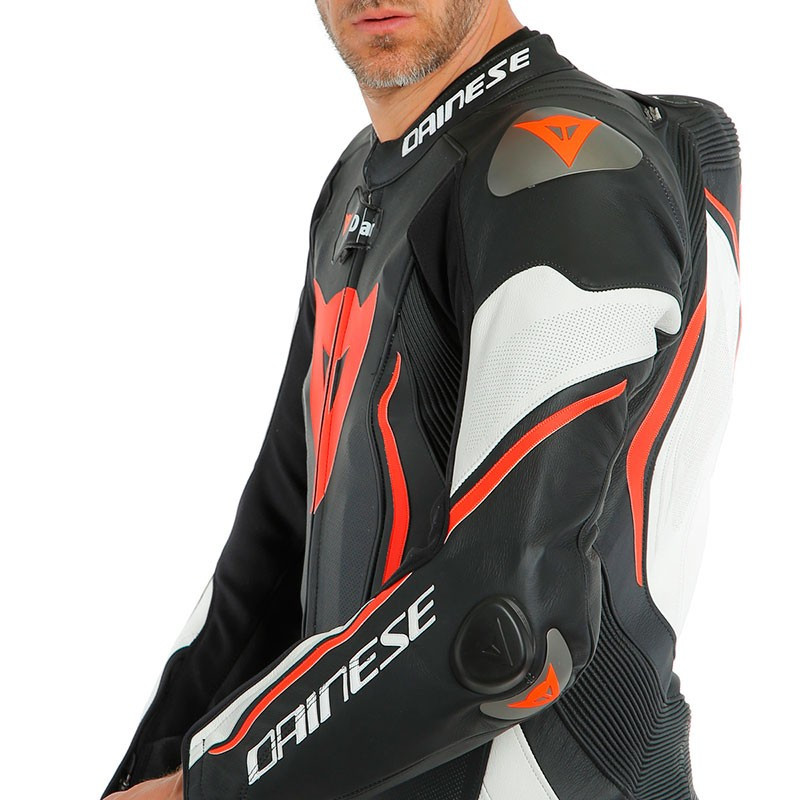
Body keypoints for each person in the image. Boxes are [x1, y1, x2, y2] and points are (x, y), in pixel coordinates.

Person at [102, 1, 742, 798]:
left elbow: (508, 623)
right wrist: (148, 774)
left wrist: (205, 789)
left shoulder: (562, 167)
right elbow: (268, 562)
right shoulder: (365, 178)